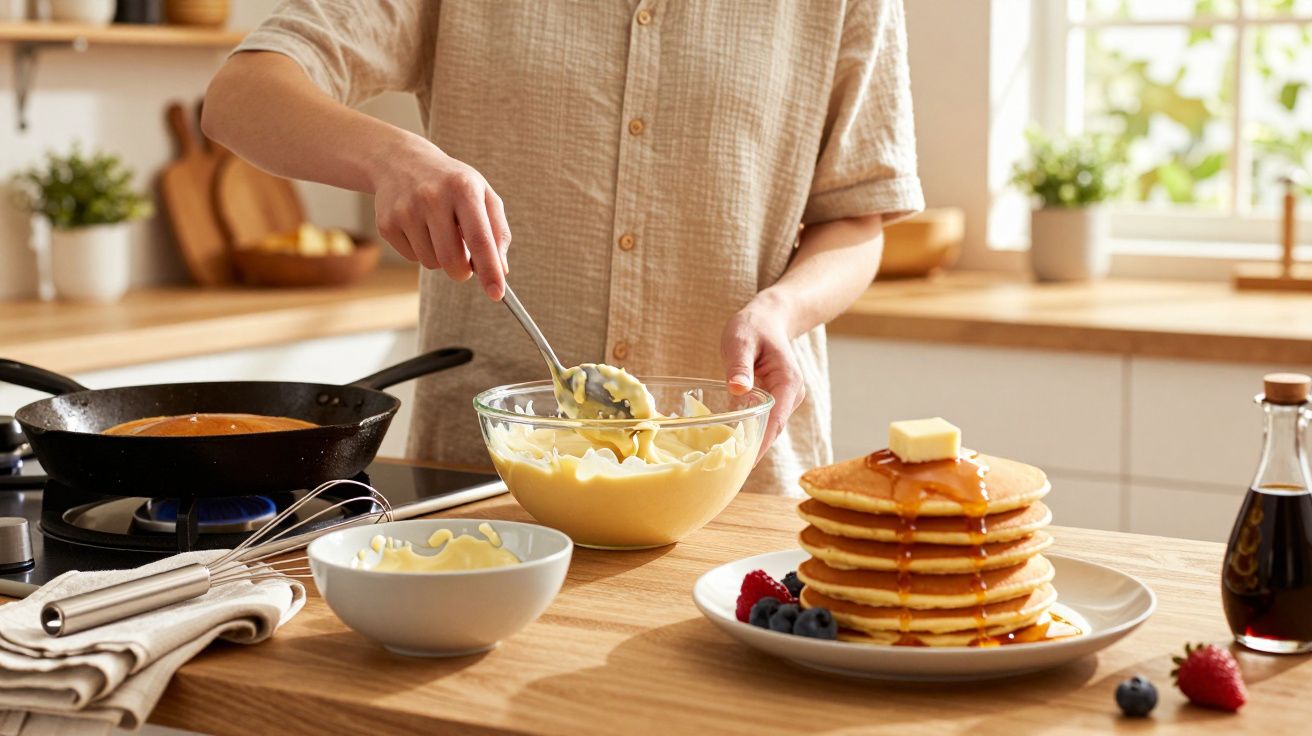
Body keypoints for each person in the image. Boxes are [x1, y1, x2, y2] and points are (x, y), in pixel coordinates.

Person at [203, 1, 923, 492]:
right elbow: (241, 94)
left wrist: (783, 309)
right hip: (487, 491)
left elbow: (857, 220)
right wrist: (391, 158)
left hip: (737, 486)